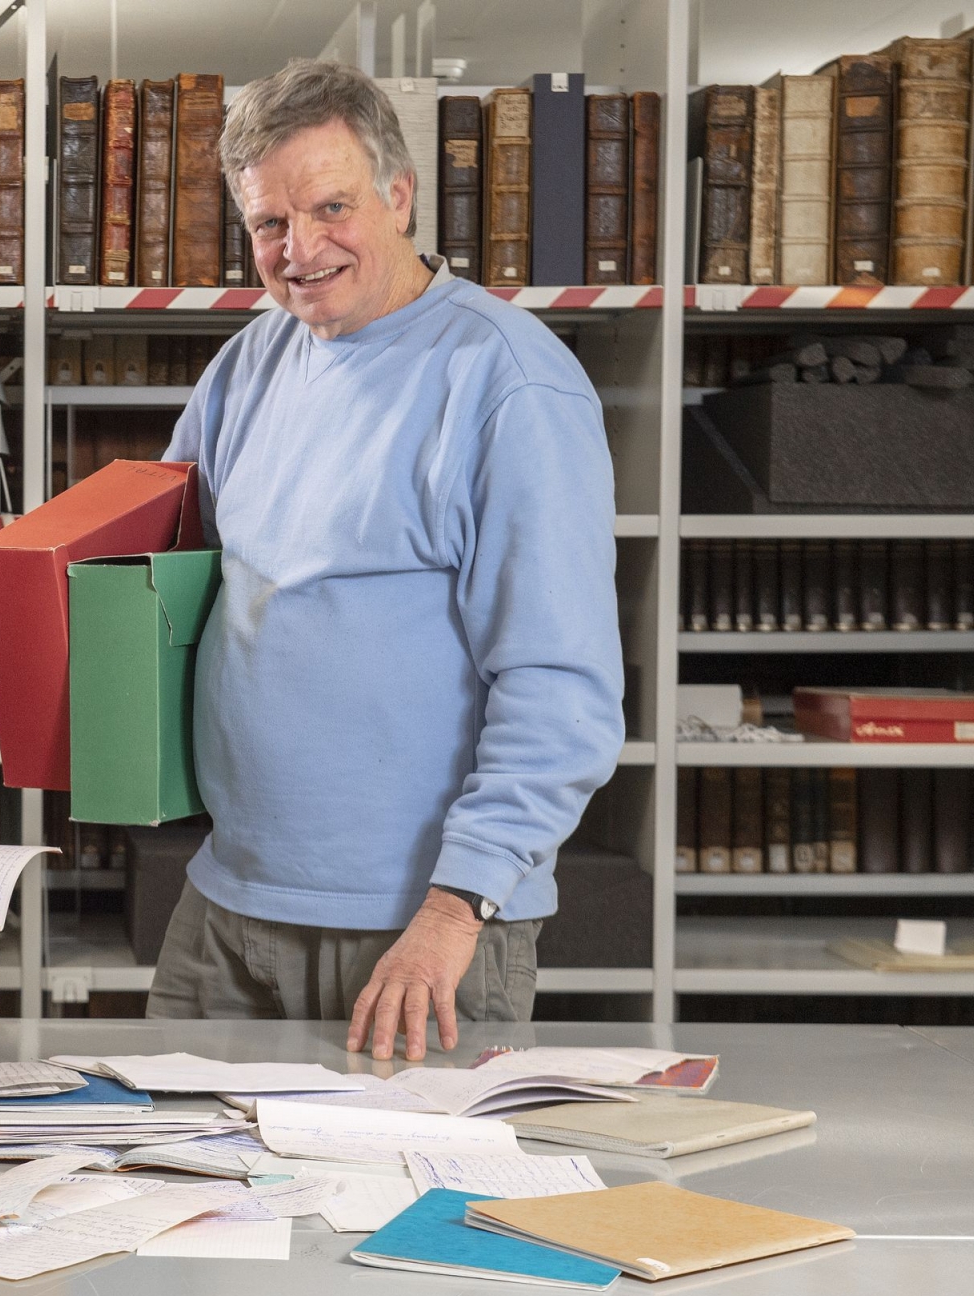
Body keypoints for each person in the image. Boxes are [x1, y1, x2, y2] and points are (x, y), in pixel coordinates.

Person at [144, 60, 626, 1061]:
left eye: (330, 207)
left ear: (399, 195)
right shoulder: (247, 361)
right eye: (268, 223)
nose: (299, 248)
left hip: (412, 936)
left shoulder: (507, 382)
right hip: (226, 904)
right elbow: (159, 577)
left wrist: (452, 917)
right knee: (174, 1201)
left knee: (393, 1214)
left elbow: (561, 688)